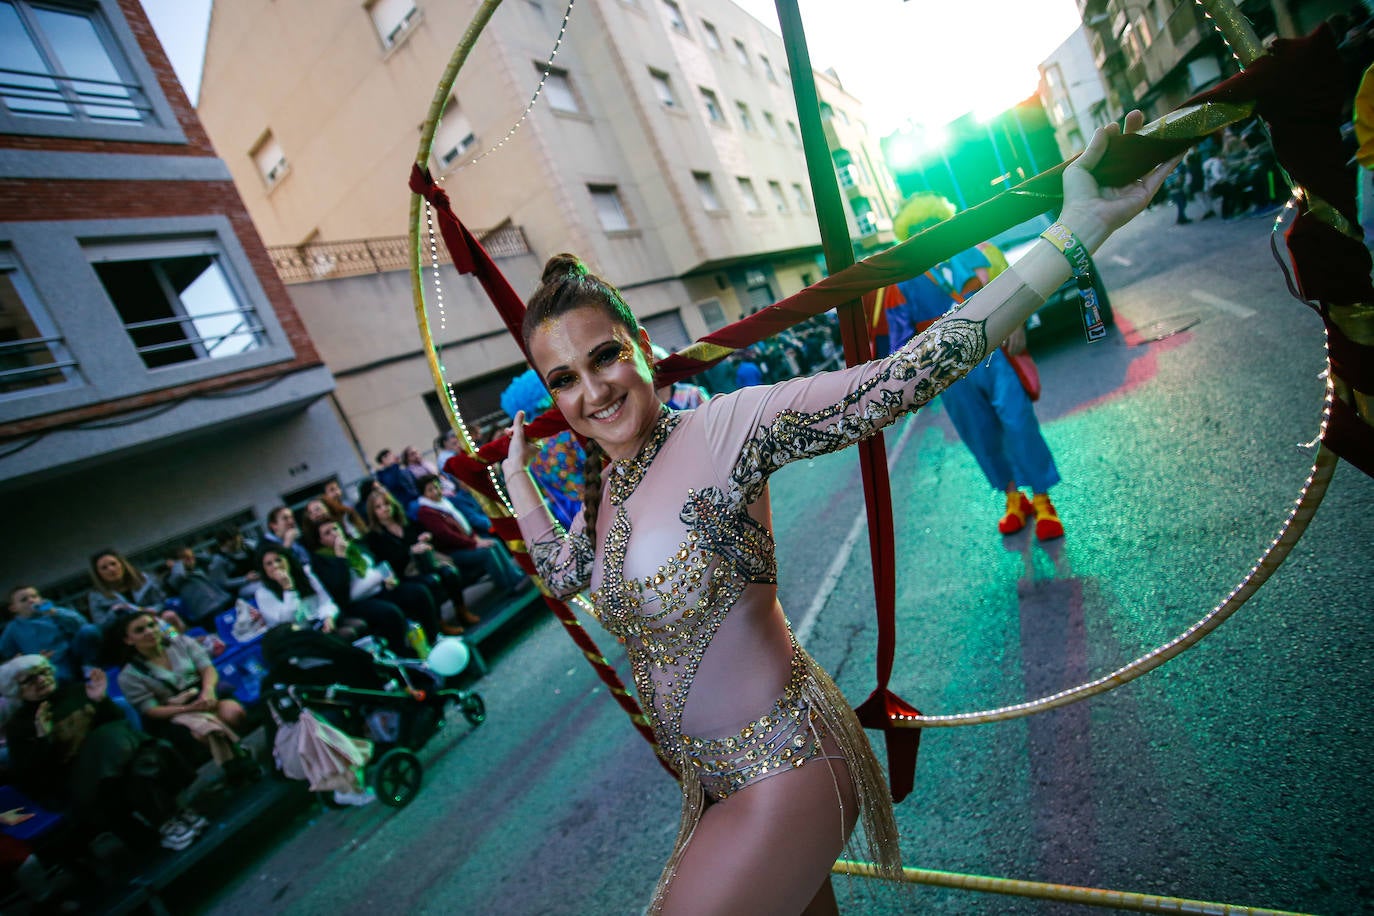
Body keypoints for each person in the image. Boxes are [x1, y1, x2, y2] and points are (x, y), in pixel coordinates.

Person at [501, 116, 1169, 914]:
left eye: (605, 356)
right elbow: (567, 574)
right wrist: (519, 487)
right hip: (712, 786)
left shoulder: (726, 428)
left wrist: (1077, 228)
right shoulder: (605, 489)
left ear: (641, 344)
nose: (593, 391)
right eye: (563, 380)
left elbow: (904, 376)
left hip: (787, 771)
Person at [887, 193, 1066, 540]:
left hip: (994, 352)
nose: (927, 232)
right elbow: (900, 336)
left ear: (943, 222)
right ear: (909, 236)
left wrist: (1016, 322)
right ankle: (1013, 497)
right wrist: (912, 378)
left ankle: (1043, 499)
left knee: (1018, 421)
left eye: (932, 224)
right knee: (980, 433)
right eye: (917, 229)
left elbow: (1009, 289)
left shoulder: (972, 253)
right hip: (946, 370)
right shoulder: (903, 280)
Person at [1, 655, 204, 851]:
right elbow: (35, 778)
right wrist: (42, 738)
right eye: (30, 679)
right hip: (77, 782)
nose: (41, 679)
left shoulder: (77, 691)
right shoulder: (19, 727)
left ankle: (168, 822)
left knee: (137, 763)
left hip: (116, 765)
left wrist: (102, 701)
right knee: (113, 738)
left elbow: (120, 721)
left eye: (44, 672)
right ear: (15, 689)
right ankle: (176, 814)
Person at [114, 611, 257, 783]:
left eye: (152, 625)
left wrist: (208, 691)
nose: (149, 631)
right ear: (128, 640)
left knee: (233, 712)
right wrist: (188, 708)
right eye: (140, 630)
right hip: (174, 713)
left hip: (204, 695)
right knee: (208, 731)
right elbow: (151, 710)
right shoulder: (128, 675)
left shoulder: (180, 641)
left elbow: (207, 668)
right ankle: (239, 759)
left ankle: (237, 761)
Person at [364, 486, 487, 632]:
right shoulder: (374, 537)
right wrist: (410, 551)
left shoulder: (405, 522)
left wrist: (425, 537)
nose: (384, 509)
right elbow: (388, 560)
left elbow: (422, 532)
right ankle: (439, 622)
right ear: (373, 513)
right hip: (404, 573)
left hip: (423, 563)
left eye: (386, 504)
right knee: (431, 581)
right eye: (378, 507)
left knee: (449, 572)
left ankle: (461, 611)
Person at [252, 545, 367, 641]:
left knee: (360, 624)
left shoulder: (305, 573)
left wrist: (328, 617)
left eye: (278, 560)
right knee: (348, 634)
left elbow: (326, 601)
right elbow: (287, 620)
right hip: (298, 637)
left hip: (320, 622)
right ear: (264, 569)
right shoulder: (263, 594)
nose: (276, 566)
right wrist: (288, 589)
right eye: (269, 564)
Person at [1, 586, 102, 683]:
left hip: (73, 652)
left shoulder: (52, 612)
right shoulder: (13, 628)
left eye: (34, 596)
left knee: (89, 630)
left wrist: (54, 612)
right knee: (62, 677)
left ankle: (89, 666)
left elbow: (81, 624)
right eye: (24, 600)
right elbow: (5, 653)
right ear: (13, 608)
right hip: (52, 663)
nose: (31, 600)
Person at [87, 549, 184, 632]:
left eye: (113, 564)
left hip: (156, 621)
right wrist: (114, 612)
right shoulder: (96, 596)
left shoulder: (145, 579)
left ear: (122, 564)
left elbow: (162, 601)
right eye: (104, 568)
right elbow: (101, 625)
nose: (111, 569)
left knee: (169, 618)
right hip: (127, 634)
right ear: (98, 574)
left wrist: (152, 610)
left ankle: (180, 641)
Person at [163, 545, 236, 627]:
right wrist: (178, 563)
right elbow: (179, 574)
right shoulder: (173, 578)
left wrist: (191, 555)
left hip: (223, 601)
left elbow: (210, 559)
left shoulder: (196, 569)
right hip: (208, 611)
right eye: (186, 558)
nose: (191, 560)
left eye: (192, 557)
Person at [208, 527, 260, 600]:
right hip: (242, 588)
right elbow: (223, 583)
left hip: (259, 579)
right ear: (227, 542)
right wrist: (246, 579)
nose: (240, 539)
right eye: (236, 538)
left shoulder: (248, 546)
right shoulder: (219, 559)